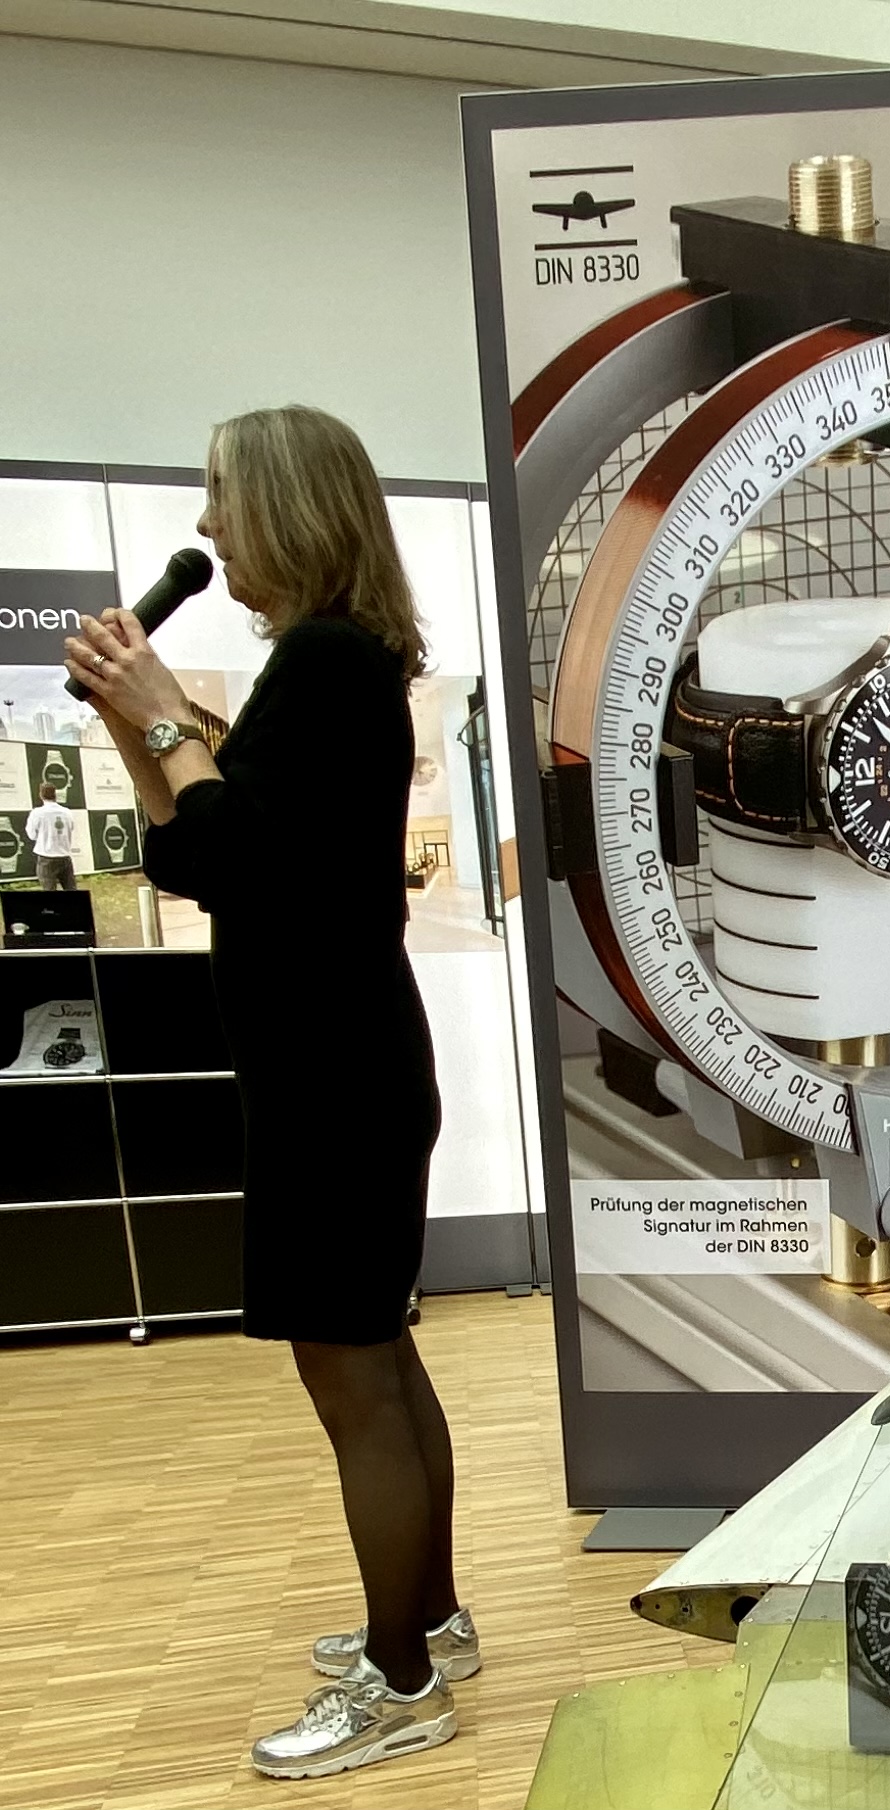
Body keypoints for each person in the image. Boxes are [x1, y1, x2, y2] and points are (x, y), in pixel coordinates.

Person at [64, 405, 478, 1781]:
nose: (205, 526)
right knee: (378, 1353)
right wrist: (139, 725)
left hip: (332, 1079)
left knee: (351, 1369)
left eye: (222, 497)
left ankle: (403, 1682)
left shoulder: (324, 660)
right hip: (339, 1067)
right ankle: (428, 1619)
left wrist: (160, 710)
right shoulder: (331, 663)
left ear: (290, 507)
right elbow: (201, 859)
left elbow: (239, 847)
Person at [25, 781, 77, 890]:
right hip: (64, 856)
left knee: (49, 890)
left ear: (41, 795)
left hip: (46, 857)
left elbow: (31, 835)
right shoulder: (67, 812)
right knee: (71, 889)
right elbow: (71, 828)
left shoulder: (37, 813)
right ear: (55, 795)